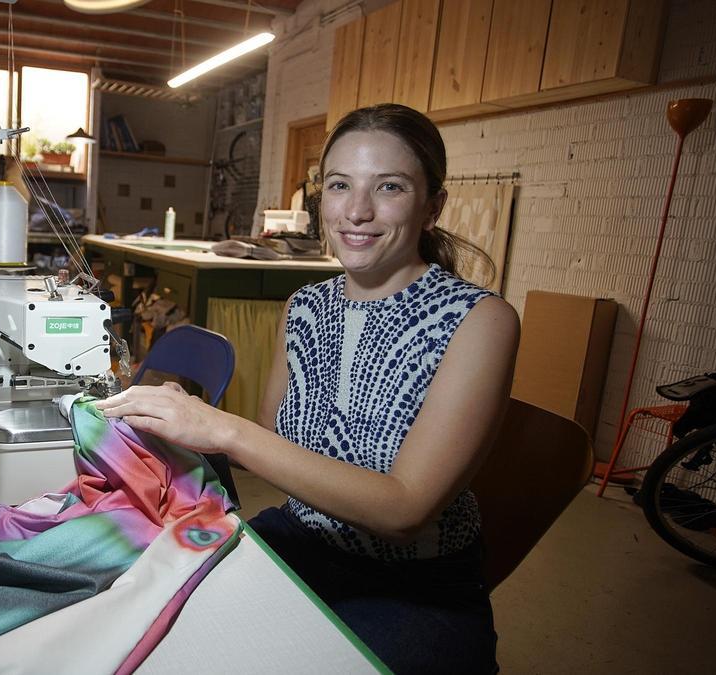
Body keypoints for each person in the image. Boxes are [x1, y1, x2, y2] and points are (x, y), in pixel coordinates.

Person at [95, 103, 519, 674]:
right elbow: (276, 444)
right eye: (340, 185)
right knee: (142, 615)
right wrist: (179, 428)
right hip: (302, 539)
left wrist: (225, 429)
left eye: (389, 187)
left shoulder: (480, 320)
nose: (358, 211)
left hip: (415, 585)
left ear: (433, 205)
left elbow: (405, 509)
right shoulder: (305, 307)